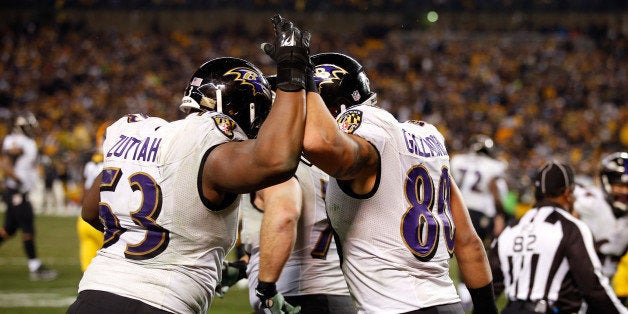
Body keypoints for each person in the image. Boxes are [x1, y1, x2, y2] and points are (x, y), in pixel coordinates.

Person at [67, 15, 311, 314]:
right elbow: (278, 161)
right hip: (161, 304)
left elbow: (92, 211)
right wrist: (292, 72)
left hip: (93, 295)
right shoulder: (211, 144)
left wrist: (168, 244)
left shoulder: (139, 132)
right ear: (246, 110)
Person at [301, 51, 498, 313]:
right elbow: (468, 241)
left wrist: (298, 76)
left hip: (396, 307)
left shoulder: (365, 130)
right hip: (447, 304)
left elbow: (319, 142)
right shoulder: (424, 137)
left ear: (336, 109)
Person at [489, 160, 627, 313]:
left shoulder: (510, 230)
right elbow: (592, 286)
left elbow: (489, 288)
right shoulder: (569, 228)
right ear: (568, 193)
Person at [231, 157, 354, 314]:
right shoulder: (331, 165)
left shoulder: (281, 165)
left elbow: (284, 218)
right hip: (337, 295)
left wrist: (266, 288)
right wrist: (244, 267)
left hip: (293, 297)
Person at [450, 134, 509, 310]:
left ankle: (461, 289)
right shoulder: (493, 166)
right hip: (479, 212)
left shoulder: (458, 160)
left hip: (457, 208)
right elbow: (495, 193)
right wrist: (500, 214)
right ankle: (471, 292)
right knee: (476, 253)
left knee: (457, 250)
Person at [0, 113, 58, 281]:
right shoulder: (18, 142)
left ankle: (35, 265)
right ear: (23, 127)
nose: (33, 130)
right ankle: (35, 266)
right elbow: (6, 163)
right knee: (27, 226)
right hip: (17, 192)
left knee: (8, 230)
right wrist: (17, 180)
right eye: (30, 127)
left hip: (16, 190)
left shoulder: (25, 142)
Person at [573, 152, 628, 303]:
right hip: (576, 284)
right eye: (620, 185)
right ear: (605, 181)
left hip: (606, 284)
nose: (625, 191)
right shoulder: (591, 202)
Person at [76, 122, 109, 272]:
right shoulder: (115, 158)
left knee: (88, 274)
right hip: (103, 220)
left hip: (84, 219)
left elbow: (84, 192)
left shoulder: (90, 159)